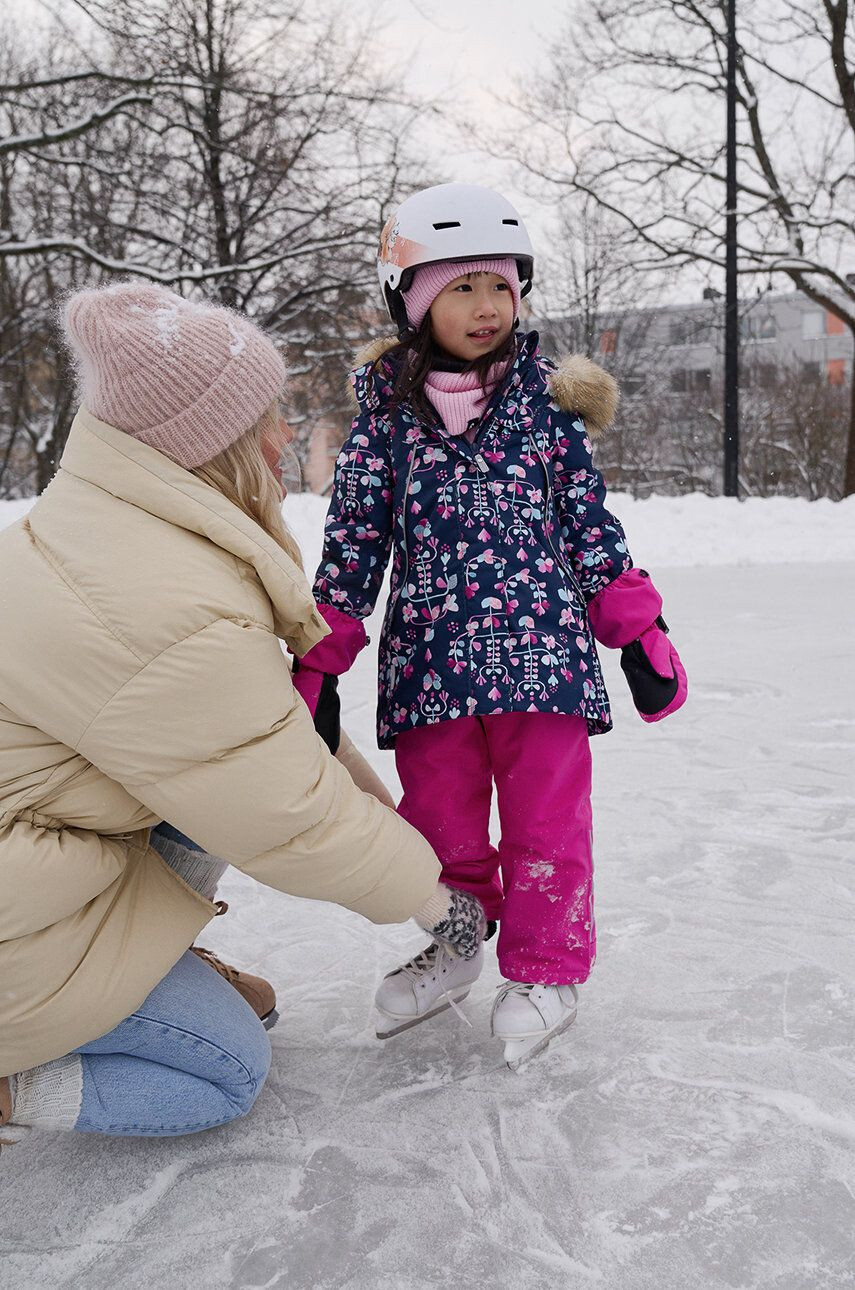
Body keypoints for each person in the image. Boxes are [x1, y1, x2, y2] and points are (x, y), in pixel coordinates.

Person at [0, 282, 485, 1139]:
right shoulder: (157, 605)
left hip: (41, 858)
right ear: (206, 444)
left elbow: (268, 744)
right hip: (16, 924)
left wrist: (404, 829)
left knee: (202, 808)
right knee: (222, 1071)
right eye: (267, 415)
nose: (286, 434)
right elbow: (286, 814)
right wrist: (433, 897)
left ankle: (150, 958)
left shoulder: (112, 525)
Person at [291, 183, 688, 1068]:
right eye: (461, 287)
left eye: (499, 287)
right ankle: (459, 944)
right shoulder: (382, 426)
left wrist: (636, 630)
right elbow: (352, 547)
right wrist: (319, 658)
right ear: (414, 301)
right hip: (430, 667)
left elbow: (589, 527)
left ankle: (546, 968)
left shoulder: (549, 409)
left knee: (547, 825)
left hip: (542, 662)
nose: (484, 307)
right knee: (442, 830)